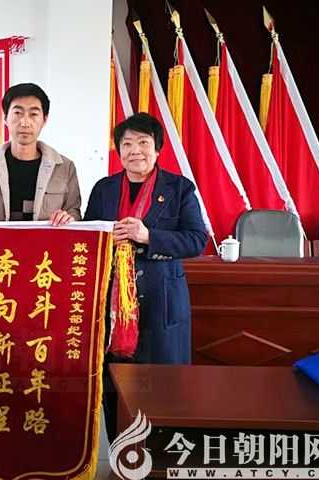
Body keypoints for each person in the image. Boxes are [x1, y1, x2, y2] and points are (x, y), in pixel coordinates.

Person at [84, 113, 207, 441]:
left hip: (161, 303)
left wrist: (148, 236)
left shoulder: (179, 188)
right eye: (126, 144)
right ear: (118, 150)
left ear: (157, 148)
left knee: (163, 384)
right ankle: (121, 447)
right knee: (114, 381)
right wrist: (105, 237)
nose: (134, 150)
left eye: (143, 142)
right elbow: (89, 237)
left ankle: (162, 451)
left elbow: (197, 240)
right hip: (112, 304)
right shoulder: (104, 189)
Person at [0, 82, 81, 225]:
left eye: (33, 114)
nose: (25, 122)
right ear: (5, 118)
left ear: (44, 120)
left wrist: (69, 217)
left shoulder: (65, 168)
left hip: (45, 241)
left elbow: (74, 213)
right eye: (18, 113)